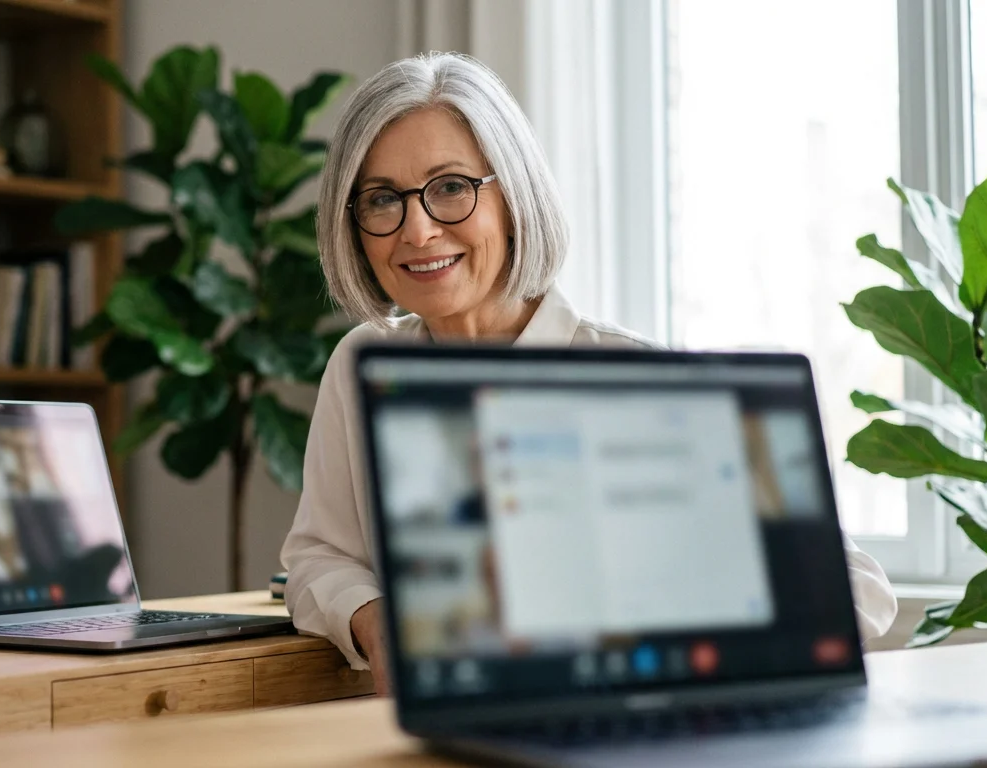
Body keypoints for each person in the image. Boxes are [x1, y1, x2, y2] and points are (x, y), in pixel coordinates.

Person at [279, 53, 898, 695]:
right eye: (383, 199)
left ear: (514, 196)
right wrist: (375, 620)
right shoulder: (360, 365)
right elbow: (318, 556)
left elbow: (860, 589)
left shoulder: (633, 374)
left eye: (451, 188)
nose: (418, 229)